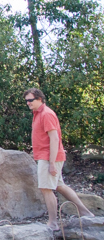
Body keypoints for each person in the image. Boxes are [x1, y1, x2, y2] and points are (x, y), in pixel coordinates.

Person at [24, 88, 94, 230]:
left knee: (46, 188)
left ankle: (53, 223)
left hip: (50, 157)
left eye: (30, 100)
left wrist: (51, 163)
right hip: (46, 156)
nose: (28, 103)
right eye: (26, 101)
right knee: (59, 186)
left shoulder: (47, 114)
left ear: (40, 99)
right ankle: (85, 212)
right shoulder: (37, 114)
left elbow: (54, 138)